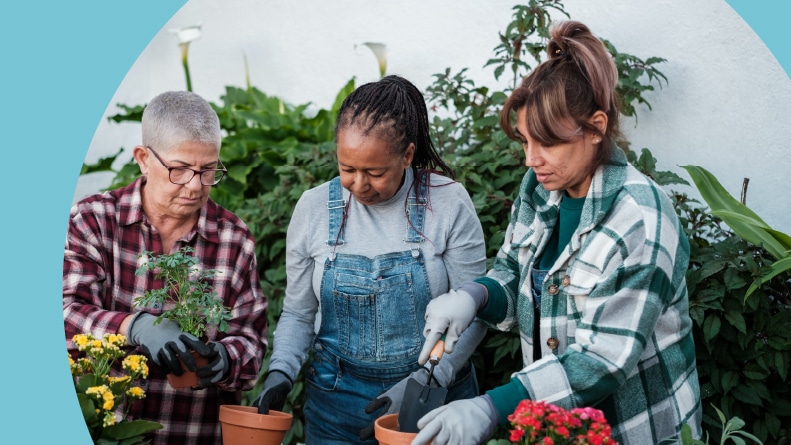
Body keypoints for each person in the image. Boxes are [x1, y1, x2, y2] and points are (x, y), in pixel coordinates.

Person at [412, 21, 702, 445]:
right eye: (526, 141)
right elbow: (513, 269)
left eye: (547, 143)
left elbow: (602, 360)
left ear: (596, 128)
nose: (531, 160)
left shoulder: (640, 219)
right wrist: (475, 297)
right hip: (560, 430)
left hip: (637, 430)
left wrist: (493, 406)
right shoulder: (542, 189)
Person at [251, 74, 487, 444]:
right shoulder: (314, 208)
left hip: (431, 399)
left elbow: (476, 309)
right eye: (347, 169)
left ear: (407, 155)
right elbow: (298, 312)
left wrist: (427, 379)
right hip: (334, 404)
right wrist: (280, 372)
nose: (359, 185)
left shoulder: (448, 203)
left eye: (375, 172)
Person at [63, 90, 268, 445]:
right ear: (143, 159)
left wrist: (224, 360)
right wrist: (134, 326)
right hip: (104, 432)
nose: (194, 186)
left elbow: (251, 343)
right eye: (179, 169)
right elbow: (63, 314)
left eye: (207, 171)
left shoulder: (233, 240)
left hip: (193, 433)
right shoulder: (93, 221)